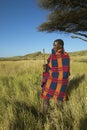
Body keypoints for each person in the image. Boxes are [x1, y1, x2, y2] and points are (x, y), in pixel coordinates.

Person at [41, 39, 70, 114]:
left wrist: (47, 68)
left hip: (60, 81)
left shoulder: (65, 56)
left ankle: (60, 116)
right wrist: (46, 66)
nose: (53, 46)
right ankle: (44, 116)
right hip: (53, 80)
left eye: (55, 45)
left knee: (58, 100)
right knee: (45, 98)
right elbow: (50, 66)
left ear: (60, 46)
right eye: (53, 44)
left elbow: (65, 70)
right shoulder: (54, 55)